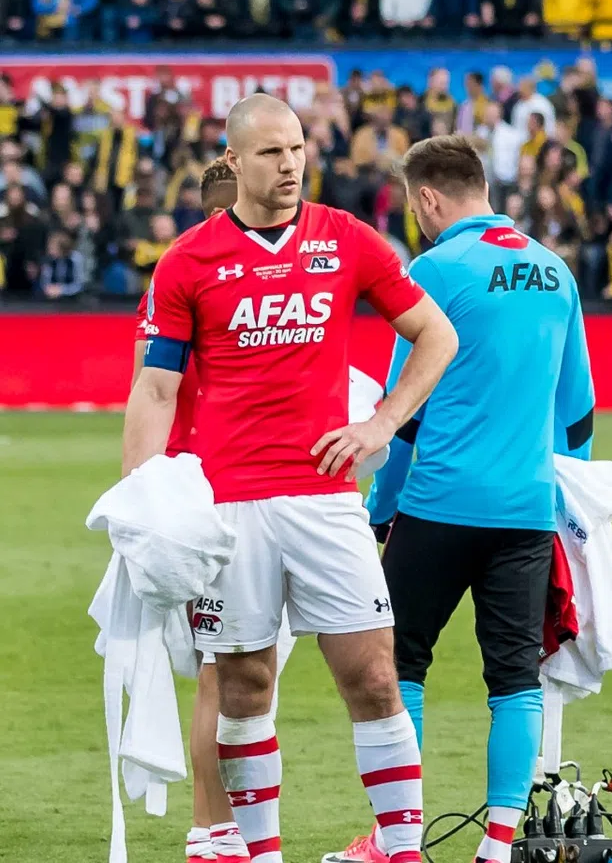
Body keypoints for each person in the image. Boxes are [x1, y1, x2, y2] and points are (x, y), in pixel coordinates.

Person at [123, 93, 459, 863]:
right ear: (235, 161)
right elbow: (155, 388)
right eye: (273, 153)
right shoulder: (188, 262)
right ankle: (260, 853)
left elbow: (436, 334)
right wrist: (141, 501)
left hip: (324, 500)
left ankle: (404, 850)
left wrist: (381, 423)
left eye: (299, 149)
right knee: (242, 688)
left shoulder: (346, 240)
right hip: (229, 507)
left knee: (374, 675)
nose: (291, 165)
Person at [342, 135, 595, 863]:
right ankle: (499, 845)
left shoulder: (435, 270)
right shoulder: (555, 272)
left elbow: (405, 408)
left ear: (426, 199)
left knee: (397, 667)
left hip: (439, 503)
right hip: (524, 509)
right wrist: (564, 502)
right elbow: (576, 410)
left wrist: (381, 508)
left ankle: (400, 840)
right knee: (514, 675)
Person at [128, 158, 245, 863]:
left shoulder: (174, 274)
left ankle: (214, 826)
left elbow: (146, 388)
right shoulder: (206, 272)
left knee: (224, 670)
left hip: (188, 489)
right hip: (220, 493)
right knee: (226, 672)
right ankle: (213, 829)